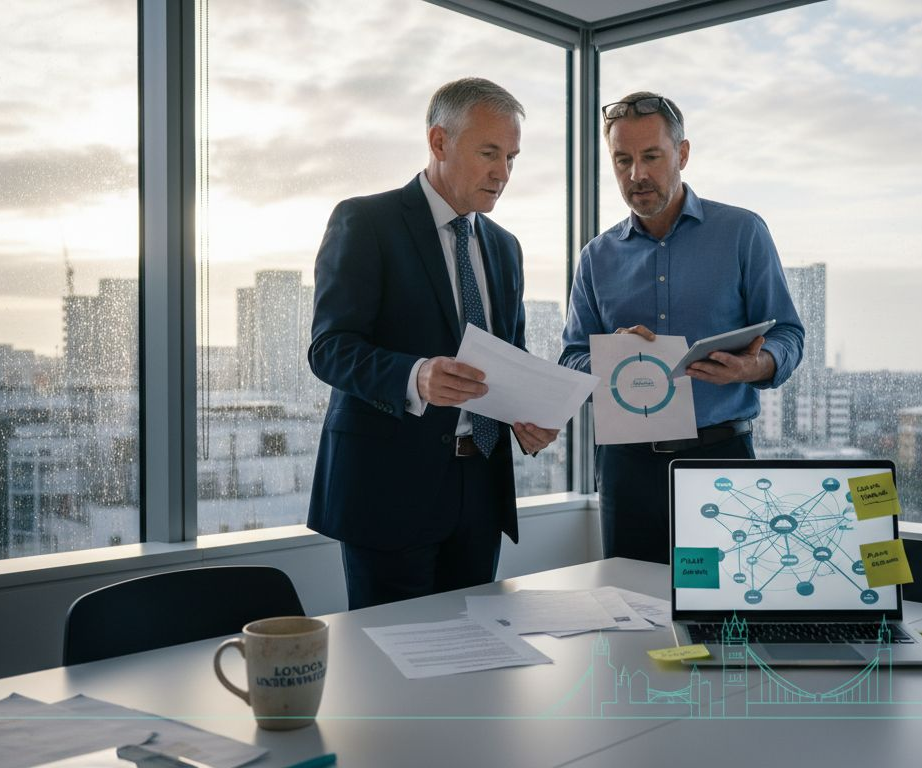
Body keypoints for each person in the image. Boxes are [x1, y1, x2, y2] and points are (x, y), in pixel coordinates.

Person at [308, 77, 558, 609]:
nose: (503, 173)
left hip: (481, 490)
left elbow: (505, 359)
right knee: (391, 666)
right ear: (439, 143)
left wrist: (526, 412)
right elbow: (329, 347)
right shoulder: (366, 221)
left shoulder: (505, 247)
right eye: (489, 153)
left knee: (475, 659)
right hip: (389, 491)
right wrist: (414, 376)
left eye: (512, 157)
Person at [559, 91, 804, 565]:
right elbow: (571, 359)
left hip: (721, 457)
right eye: (622, 160)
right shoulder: (596, 258)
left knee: (728, 607)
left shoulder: (742, 232)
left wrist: (753, 366)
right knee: (631, 609)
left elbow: (789, 335)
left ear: (683, 154)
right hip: (625, 468)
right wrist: (614, 355)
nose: (637, 175)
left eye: (651, 156)